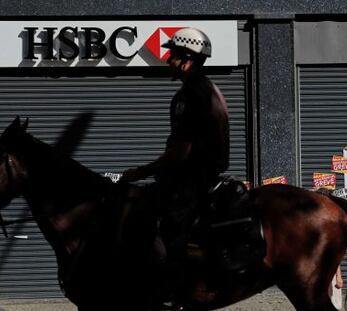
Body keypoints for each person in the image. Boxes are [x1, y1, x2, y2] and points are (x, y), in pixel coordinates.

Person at [121, 27, 230, 309]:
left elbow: (181, 152)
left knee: (150, 221)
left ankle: (172, 293)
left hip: (191, 180)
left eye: (171, 54)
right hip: (204, 175)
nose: (167, 59)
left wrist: (141, 172)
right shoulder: (210, 88)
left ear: (186, 58)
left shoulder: (189, 95)